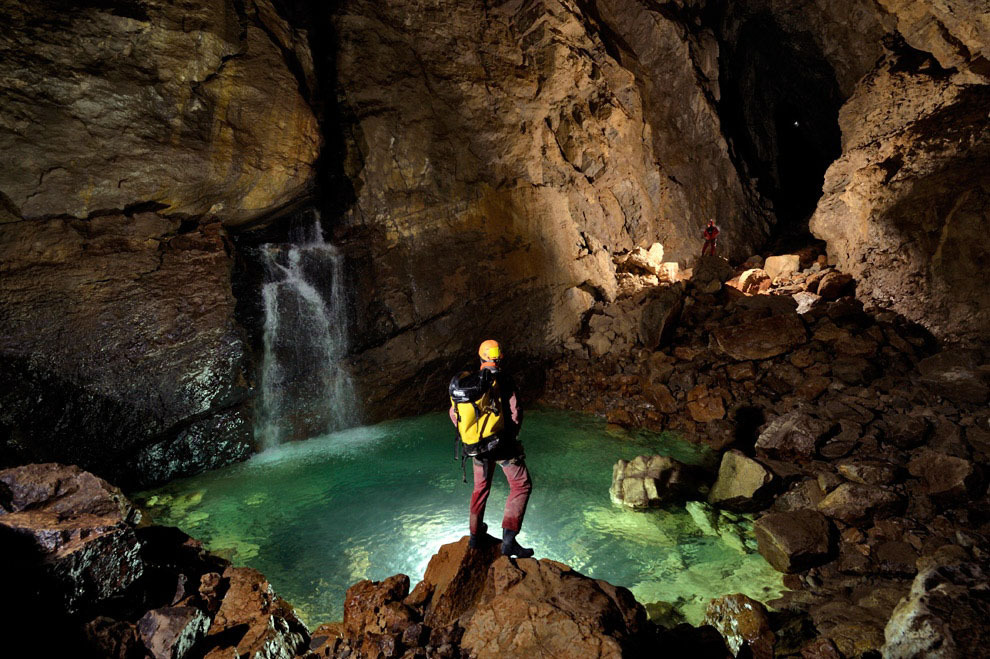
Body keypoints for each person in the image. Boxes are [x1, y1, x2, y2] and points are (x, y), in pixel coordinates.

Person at [448, 339, 534, 558]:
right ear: (499, 357)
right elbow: (515, 412)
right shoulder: (503, 379)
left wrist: (474, 435)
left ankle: (475, 537)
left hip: (477, 447)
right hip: (502, 446)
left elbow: (454, 414)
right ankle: (509, 541)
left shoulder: (469, 384)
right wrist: (510, 438)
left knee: (481, 489)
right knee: (521, 485)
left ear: (481, 357)